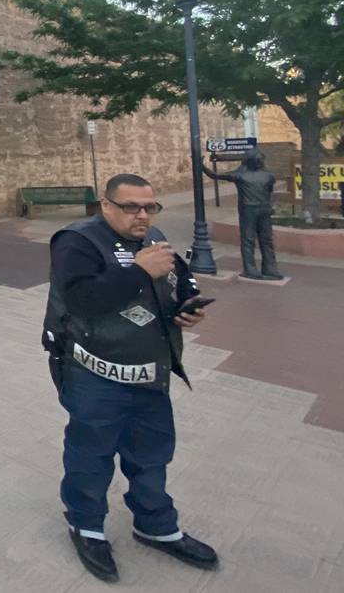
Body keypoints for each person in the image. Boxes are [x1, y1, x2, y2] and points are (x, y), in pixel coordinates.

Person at [43, 173, 219, 582]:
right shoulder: (77, 241)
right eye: (130, 207)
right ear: (106, 206)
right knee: (91, 453)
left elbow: (178, 284)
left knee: (152, 453)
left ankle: (156, 524)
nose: (141, 215)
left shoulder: (154, 238)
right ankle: (86, 526)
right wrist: (139, 271)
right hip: (94, 372)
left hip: (149, 372)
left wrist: (186, 307)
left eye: (149, 207)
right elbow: (82, 300)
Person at [201, 148, 283, 279]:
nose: (260, 162)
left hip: (264, 210)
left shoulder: (268, 176)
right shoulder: (240, 175)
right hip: (248, 210)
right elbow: (215, 175)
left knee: (266, 240)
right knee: (248, 239)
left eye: (261, 160)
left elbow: (271, 192)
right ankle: (250, 268)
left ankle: (270, 268)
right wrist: (202, 166)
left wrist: (270, 205)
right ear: (250, 161)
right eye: (258, 159)